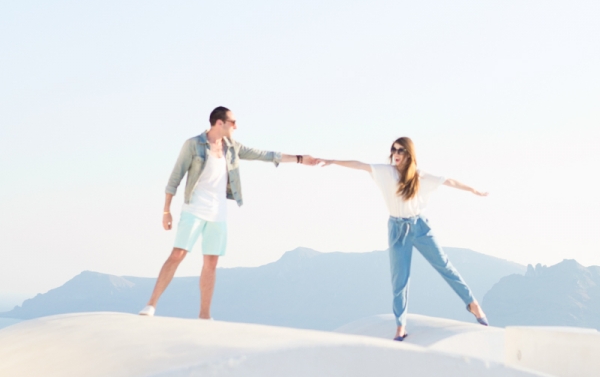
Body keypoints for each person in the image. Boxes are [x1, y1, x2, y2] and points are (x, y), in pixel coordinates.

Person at [140, 106, 318, 319]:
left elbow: (264, 155)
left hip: (218, 213)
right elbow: (174, 178)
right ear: (219, 123)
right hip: (194, 208)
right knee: (178, 255)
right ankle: (151, 304)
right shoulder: (193, 145)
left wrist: (300, 159)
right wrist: (166, 211)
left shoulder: (232, 148)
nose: (236, 126)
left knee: (211, 263)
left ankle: (204, 315)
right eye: (232, 122)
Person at [319, 137, 489, 340]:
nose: (396, 154)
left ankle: (472, 304)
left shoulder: (419, 176)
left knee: (444, 265)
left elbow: (448, 181)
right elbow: (359, 165)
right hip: (397, 229)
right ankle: (401, 325)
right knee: (399, 279)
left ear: (409, 154)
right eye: (394, 150)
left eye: (401, 151)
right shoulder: (386, 172)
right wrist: (333, 161)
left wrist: (473, 190)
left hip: (420, 227)